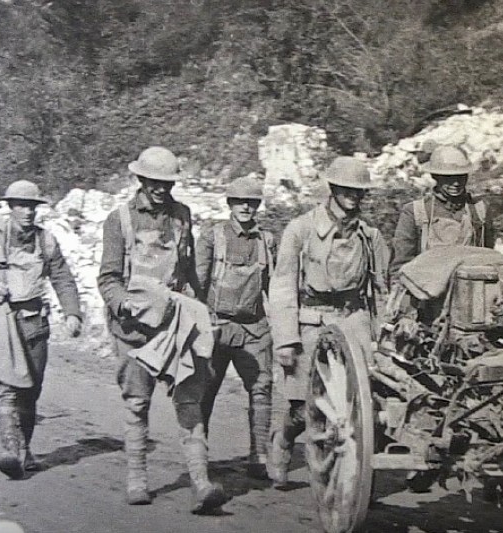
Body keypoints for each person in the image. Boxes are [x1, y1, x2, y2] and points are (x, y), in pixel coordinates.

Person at [97, 146, 228, 513]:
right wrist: (124, 302)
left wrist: (200, 309)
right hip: (133, 330)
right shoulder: (119, 220)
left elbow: (187, 271)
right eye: (154, 182)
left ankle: (201, 483)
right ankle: (137, 478)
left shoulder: (182, 216)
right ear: (141, 180)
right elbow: (107, 278)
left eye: (167, 183)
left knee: (190, 401)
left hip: (173, 324)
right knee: (137, 403)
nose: (160, 189)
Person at [267, 156, 389, 489]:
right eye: (347, 189)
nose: (353, 196)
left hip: (353, 320)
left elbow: (381, 289)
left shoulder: (370, 236)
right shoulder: (301, 229)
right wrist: (286, 340)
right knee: (304, 407)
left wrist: (383, 338)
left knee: (363, 403)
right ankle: (282, 441)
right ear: (333, 188)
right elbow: (282, 286)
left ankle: (356, 475)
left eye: (359, 191)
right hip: (311, 322)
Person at [0, 179, 83, 481]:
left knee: (31, 390)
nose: (27, 212)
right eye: (21, 206)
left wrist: (72, 314)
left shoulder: (46, 241)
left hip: (35, 324)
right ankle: (11, 451)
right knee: (7, 390)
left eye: (32, 206)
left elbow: (63, 279)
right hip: (3, 321)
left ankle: (25, 449)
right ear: (10, 207)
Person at [195, 177, 275, 479]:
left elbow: (274, 288)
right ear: (229, 204)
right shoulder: (212, 237)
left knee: (262, 389)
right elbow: (197, 285)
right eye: (240, 201)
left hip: (254, 328)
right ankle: (198, 456)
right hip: (216, 325)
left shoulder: (267, 242)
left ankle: (259, 456)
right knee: (205, 391)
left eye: (252, 202)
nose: (246, 207)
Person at [391, 145, 493, 275]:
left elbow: (489, 256)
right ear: (436, 176)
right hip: (427, 289)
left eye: (460, 177)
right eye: (449, 178)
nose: (456, 183)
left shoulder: (480, 210)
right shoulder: (415, 212)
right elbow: (401, 264)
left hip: (472, 289)